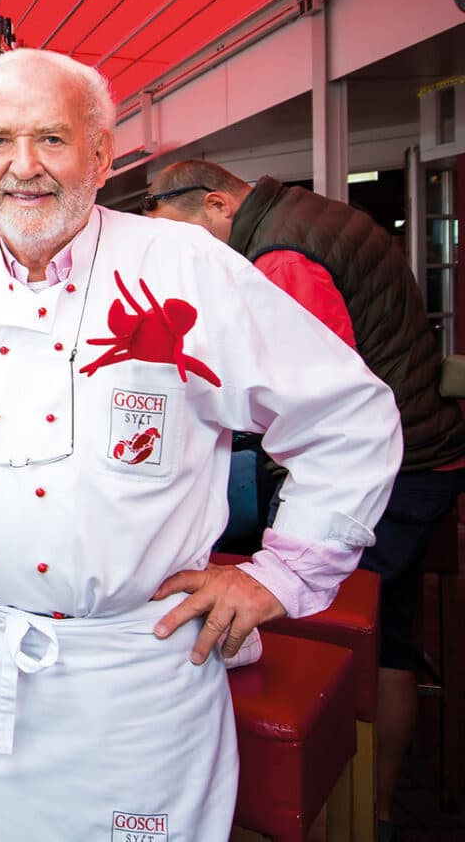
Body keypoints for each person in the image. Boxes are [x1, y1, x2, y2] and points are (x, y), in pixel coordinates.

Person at [0, 48, 403, 838]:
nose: (24, 165)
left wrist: (284, 572)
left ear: (101, 154)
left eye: (52, 138)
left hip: (139, 680)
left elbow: (348, 416)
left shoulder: (184, 266)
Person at [143, 158, 465, 833]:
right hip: (423, 455)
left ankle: (355, 810)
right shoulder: (307, 217)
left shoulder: (281, 254)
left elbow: (316, 402)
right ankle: (376, 810)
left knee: (353, 628)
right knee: (389, 636)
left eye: (183, 236)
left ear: (218, 204)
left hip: (392, 469)